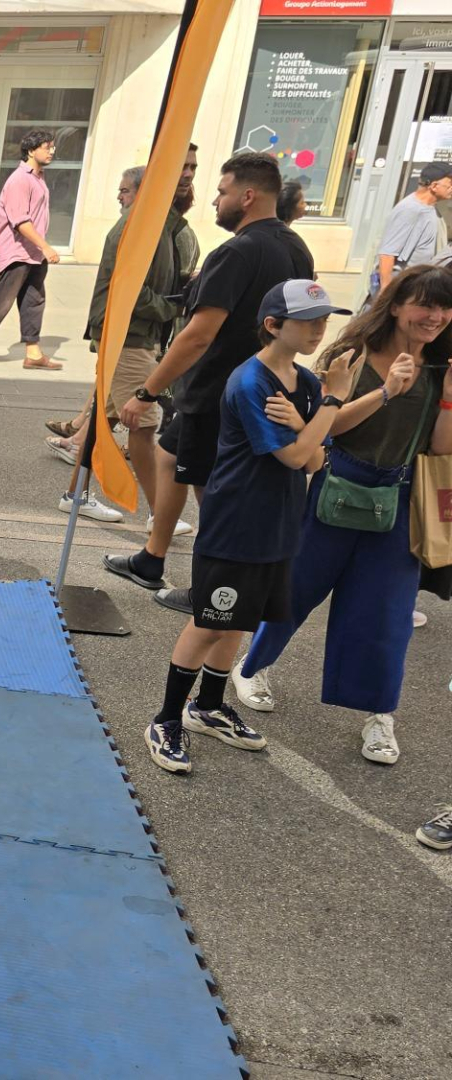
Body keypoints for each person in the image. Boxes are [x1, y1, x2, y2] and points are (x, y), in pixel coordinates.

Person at [233, 265, 452, 765]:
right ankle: (252, 666)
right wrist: (386, 392)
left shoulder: (441, 367)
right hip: (338, 484)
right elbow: (322, 429)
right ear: (396, 305)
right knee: (296, 589)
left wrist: (448, 395)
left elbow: (441, 448)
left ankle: (380, 716)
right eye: (425, 304)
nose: (436, 316)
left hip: (400, 498)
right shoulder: (350, 358)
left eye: (444, 308)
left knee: (387, 612)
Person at [143, 281, 354, 775]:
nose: (319, 330)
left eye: (324, 320)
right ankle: (167, 717)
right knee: (208, 621)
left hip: (280, 523)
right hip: (237, 521)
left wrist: (309, 422)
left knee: (243, 619)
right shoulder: (251, 382)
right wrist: (330, 406)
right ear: (273, 325)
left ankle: (209, 707)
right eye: (308, 321)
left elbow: (314, 461)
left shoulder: (306, 383)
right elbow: (298, 454)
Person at [107, 153, 314, 609]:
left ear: (247, 195)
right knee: (169, 455)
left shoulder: (237, 250)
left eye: (221, 193)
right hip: (258, 382)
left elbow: (199, 335)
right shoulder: (295, 246)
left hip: (219, 391)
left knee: (215, 495)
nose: (215, 201)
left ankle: (214, 591)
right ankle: (151, 559)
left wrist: (146, 391)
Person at [63, 161, 195, 524]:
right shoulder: (140, 226)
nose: (119, 196)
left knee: (103, 419)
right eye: (183, 168)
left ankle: (75, 494)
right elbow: (130, 291)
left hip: (128, 333)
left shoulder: (157, 225)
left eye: (125, 190)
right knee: (144, 423)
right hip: (129, 335)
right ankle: (159, 513)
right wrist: (173, 306)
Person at [0, 129, 60, 370]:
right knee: (1, 301)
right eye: (47, 147)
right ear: (30, 150)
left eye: (52, 146)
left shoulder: (38, 177)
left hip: (33, 253)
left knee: (34, 300)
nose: (52, 151)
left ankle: (33, 352)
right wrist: (45, 246)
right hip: (17, 251)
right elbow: (20, 221)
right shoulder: (20, 179)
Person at [369, 162, 450, 300]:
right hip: (403, 289)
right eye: (450, 185)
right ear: (434, 186)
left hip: (422, 285)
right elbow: (387, 254)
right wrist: (386, 292)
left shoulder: (430, 208)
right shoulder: (410, 210)